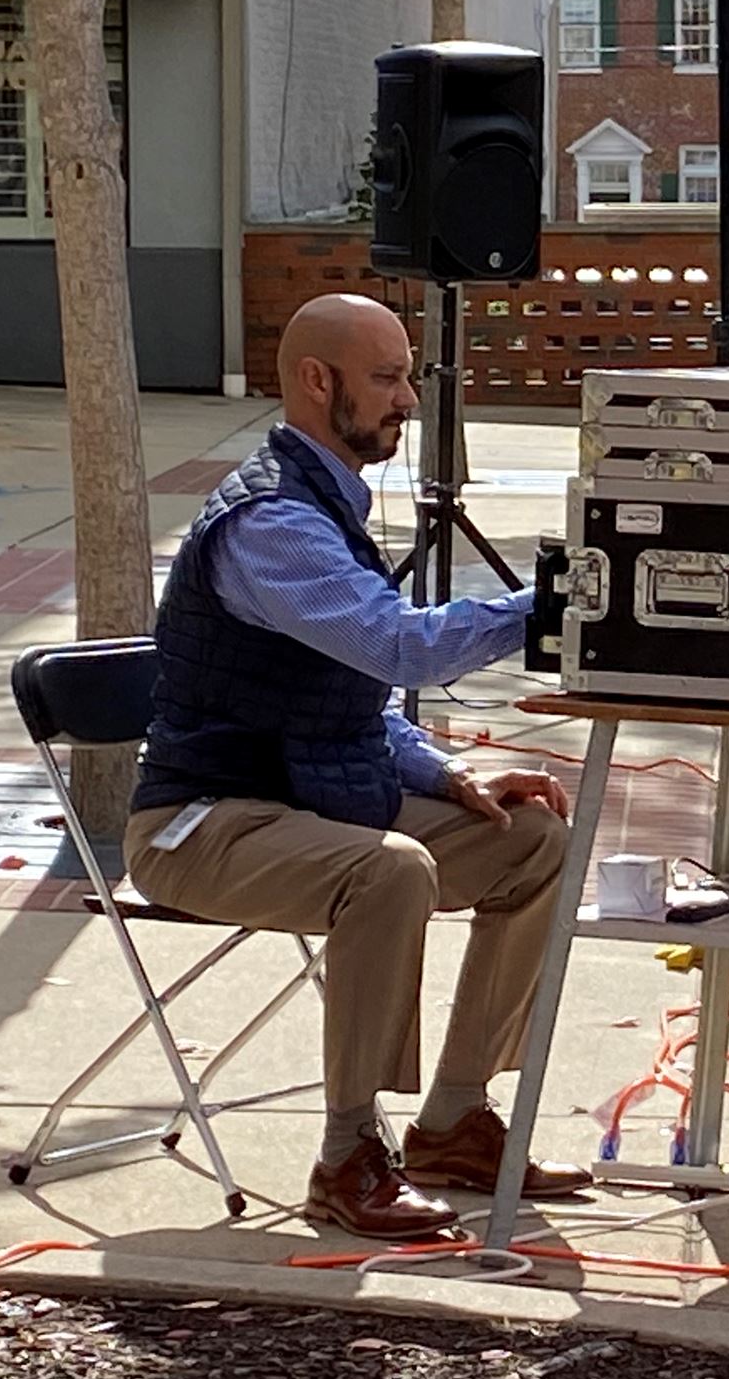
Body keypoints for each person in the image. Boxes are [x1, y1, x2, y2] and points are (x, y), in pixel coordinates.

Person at [126, 294, 592, 1241]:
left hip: (312, 800)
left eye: (408, 375)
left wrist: (442, 770)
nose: (409, 401)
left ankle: (454, 1121)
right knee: (389, 869)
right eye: (387, 377)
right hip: (204, 823)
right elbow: (397, 650)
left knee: (536, 837)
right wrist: (556, 599)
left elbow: (353, 698)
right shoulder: (272, 523)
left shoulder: (329, 501)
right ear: (315, 381)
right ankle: (347, 1160)